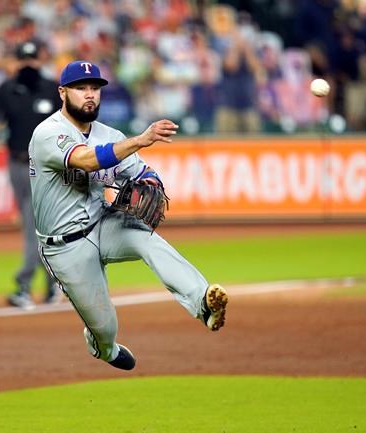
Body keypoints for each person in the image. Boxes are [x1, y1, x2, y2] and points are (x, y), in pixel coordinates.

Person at [27, 60, 228, 370]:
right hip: (64, 247)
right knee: (106, 327)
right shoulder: (48, 133)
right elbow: (88, 160)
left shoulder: (109, 133)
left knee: (147, 239)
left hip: (103, 223)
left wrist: (152, 181)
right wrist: (139, 139)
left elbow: (142, 171)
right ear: (62, 93)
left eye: (95, 88)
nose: (90, 94)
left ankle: (203, 303)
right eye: (81, 88)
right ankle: (103, 347)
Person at [0, 39, 61, 309]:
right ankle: (52, 285)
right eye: (23, 60)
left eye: (32, 59)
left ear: (40, 60)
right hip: (17, 164)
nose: (28, 64)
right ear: (16, 62)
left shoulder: (51, 89)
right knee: (35, 226)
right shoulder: (7, 89)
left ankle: (25, 285)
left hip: (47, 169)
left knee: (34, 227)